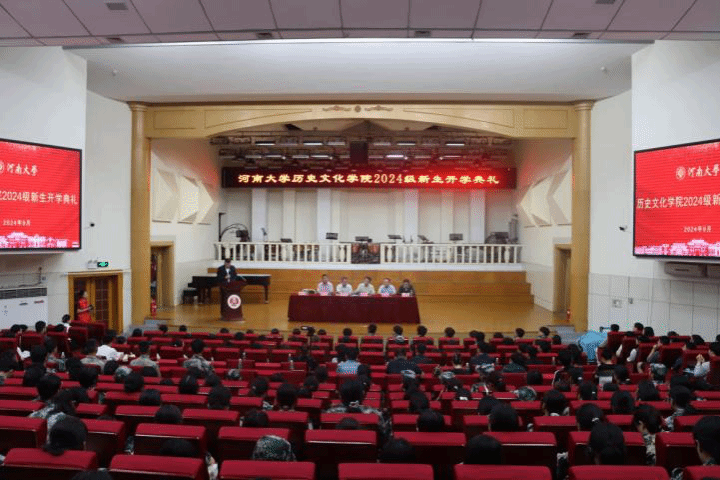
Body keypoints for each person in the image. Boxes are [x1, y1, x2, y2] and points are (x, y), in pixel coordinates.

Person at [325, 379, 390, 440]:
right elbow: (384, 436)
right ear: (363, 396)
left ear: (340, 396)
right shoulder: (376, 414)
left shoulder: (328, 414)